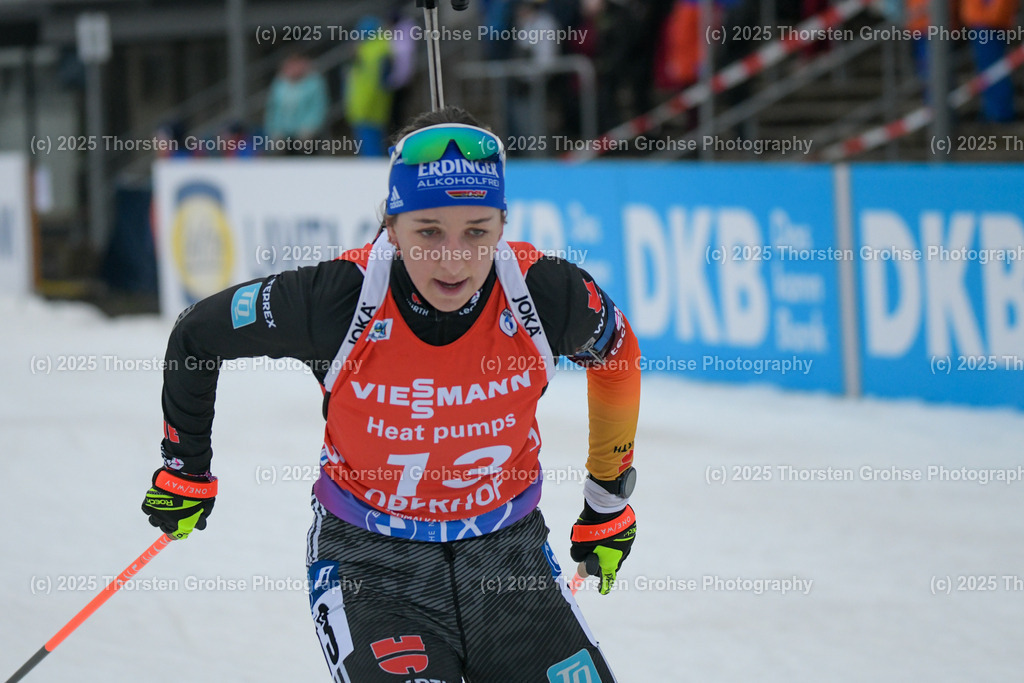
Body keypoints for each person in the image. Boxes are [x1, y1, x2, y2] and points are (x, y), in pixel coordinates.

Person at [141, 105, 641, 682]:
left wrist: (609, 498)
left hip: (510, 560)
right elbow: (197, 334)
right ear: (391, 225)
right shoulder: (338, 299)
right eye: (428, 231)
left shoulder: (546, 293)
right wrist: (185, 468)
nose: (453, 259)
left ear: (502, 226)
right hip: (372, 567)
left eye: (476, 233)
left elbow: (618, 352)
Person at [264, 53, 330, 153]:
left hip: (306, 133)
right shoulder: (279, 84)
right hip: (284, 133)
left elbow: (318, 109)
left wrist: (309, 129)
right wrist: (274, 130)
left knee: (305, 148)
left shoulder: (314, 83)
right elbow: (273, 110)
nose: (294, 69)